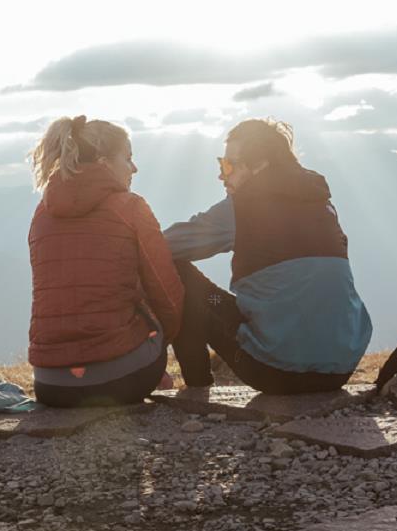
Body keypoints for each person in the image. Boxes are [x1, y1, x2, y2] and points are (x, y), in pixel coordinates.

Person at [163, 118, 372, 393]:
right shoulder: (322, 204)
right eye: (220, 164)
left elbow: (160, 247)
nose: (221, 175)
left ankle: (197, 387)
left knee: (181, 275)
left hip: (274, 371)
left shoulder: (243, 208)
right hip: (340, 369)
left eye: (228, 165)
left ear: (260, 166)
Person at [26, 115, 184, 408]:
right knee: (179, 279)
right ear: (103, 162)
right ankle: (197, 376)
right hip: (120, 380)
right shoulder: (131, 207)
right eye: (128, 158)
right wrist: (157, 346)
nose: (134, 168)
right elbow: (168, 295)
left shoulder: (42, 213)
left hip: (50, 385)